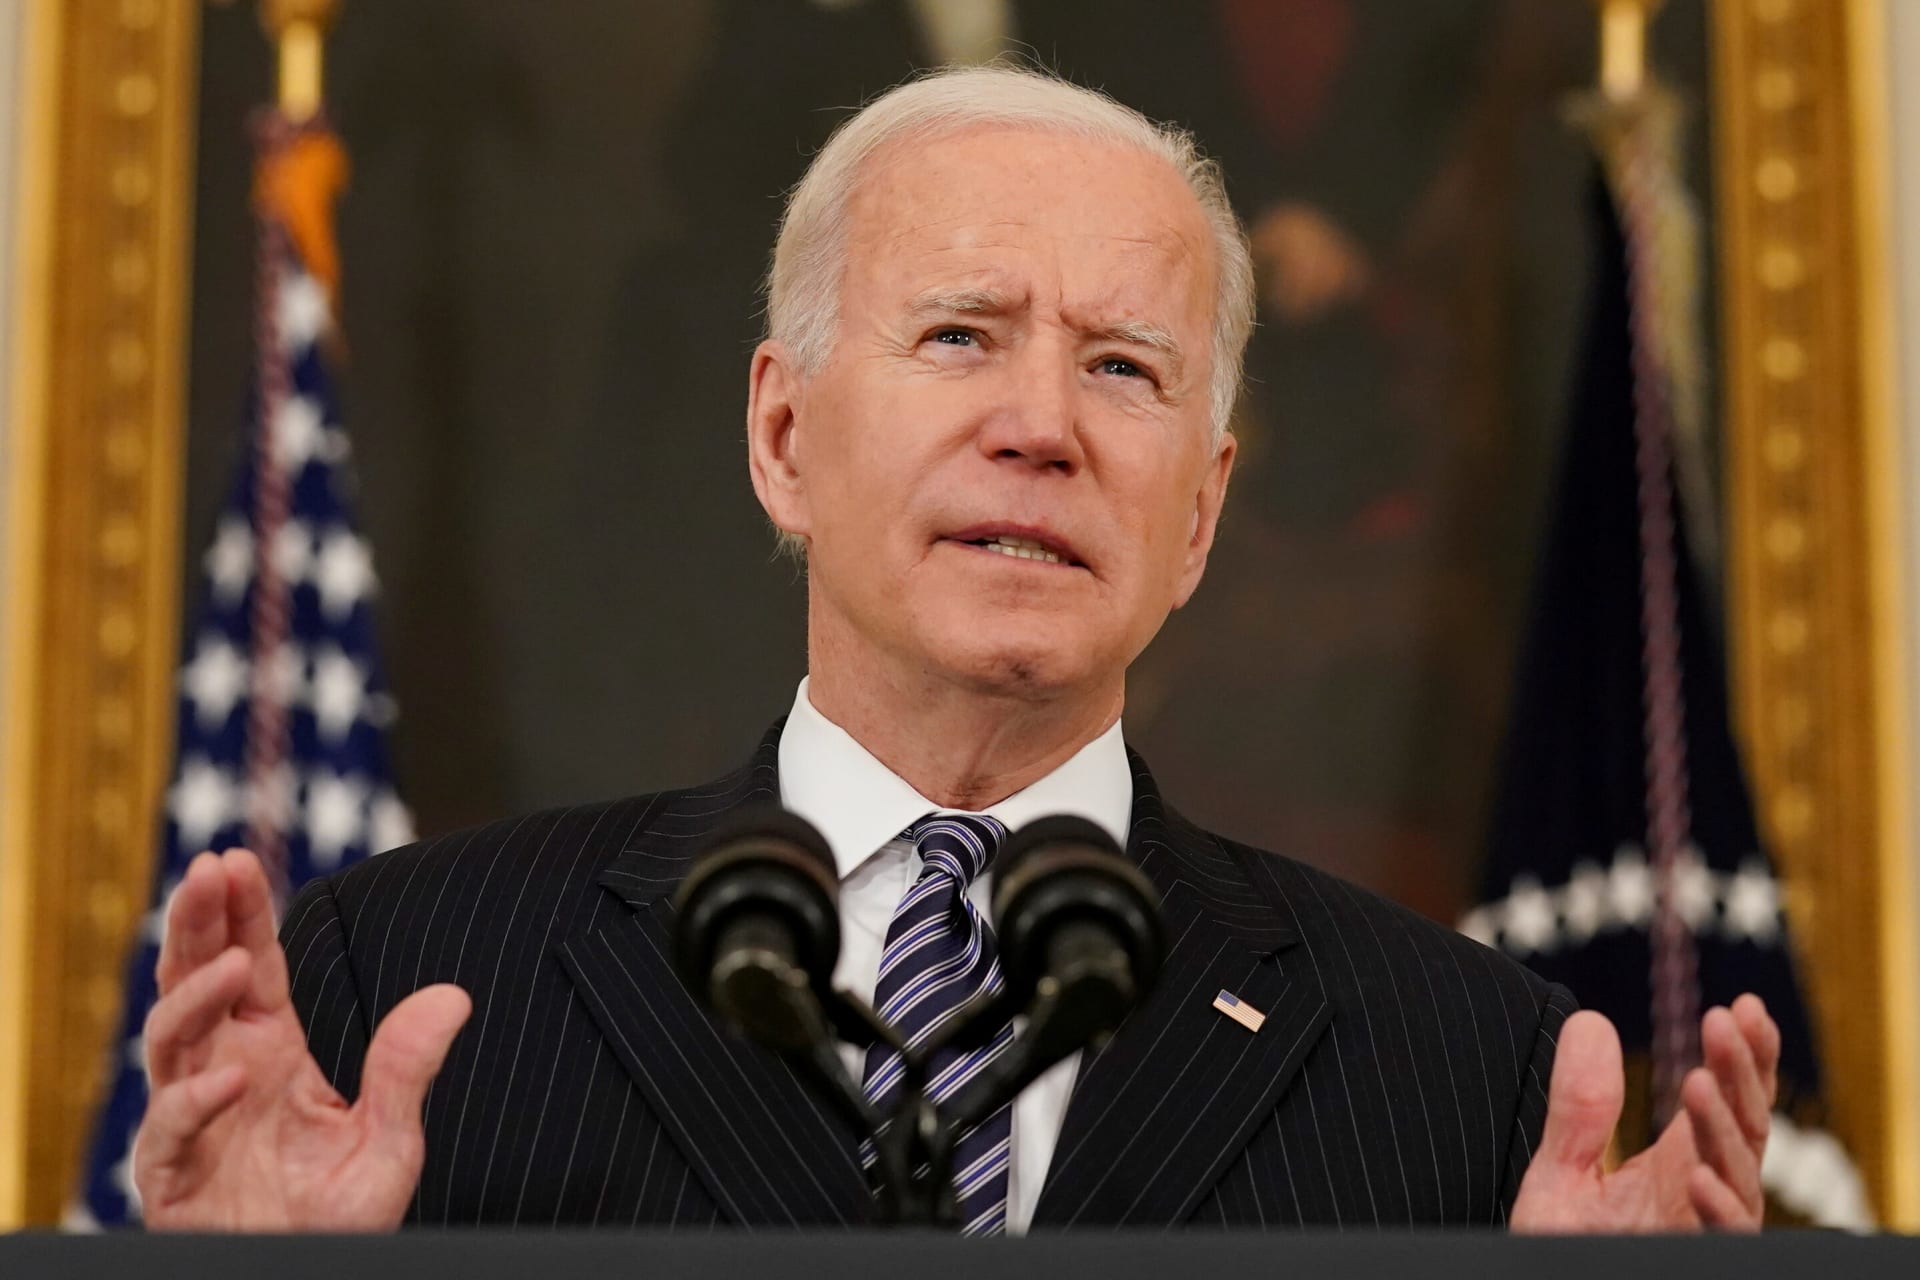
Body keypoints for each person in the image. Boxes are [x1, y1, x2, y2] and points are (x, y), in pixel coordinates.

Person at [131, 65, 1778, 1234]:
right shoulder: (411, 983)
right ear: (782, 434)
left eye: (1125, 369)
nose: (1042, 427)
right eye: (961, 336)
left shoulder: (1458, 1072)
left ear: (1199, 513)